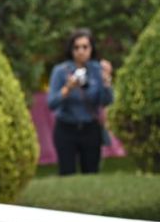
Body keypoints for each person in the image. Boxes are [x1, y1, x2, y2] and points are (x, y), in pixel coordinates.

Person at [46, 29, 114, 175]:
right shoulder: (61, 71)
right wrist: (67, 89)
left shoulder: (96, 69)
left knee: (91, 173)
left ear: (91, 49)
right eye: (76, 47)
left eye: (85, 47)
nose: (81, 51)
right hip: (66, 127)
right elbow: (51, 103)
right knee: (67, 172)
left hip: (90, 128)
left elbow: (107, 101)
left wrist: (107, 81)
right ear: (71, 50)